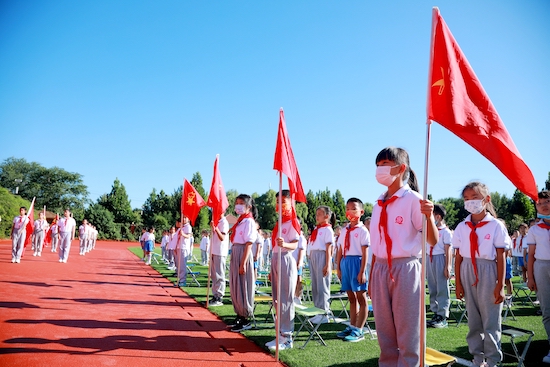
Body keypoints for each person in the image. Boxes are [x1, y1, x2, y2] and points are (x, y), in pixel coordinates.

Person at [368, 147, 438, 366]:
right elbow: (375, 245)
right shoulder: (378, 203)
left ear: (401, 168)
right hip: (380, 268)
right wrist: (372, 276)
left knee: (408, 328)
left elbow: (432, 240)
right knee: (384, 329)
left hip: (405, 268)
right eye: (379, 165)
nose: (381, 169)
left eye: (386, 164)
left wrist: (430, 217)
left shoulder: (414, 200)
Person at [454, 181, 510, 367]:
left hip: (488, 270)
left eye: (475, 198)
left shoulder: (496, 225)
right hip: (467, 270)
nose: (470, 202)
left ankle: (493, 360)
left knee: (491, 319)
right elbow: (458, 257)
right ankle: (477, 359)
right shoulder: (462, 226)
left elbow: (501, 256)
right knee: (474, 320)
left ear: (486, 199)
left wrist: (500, 285)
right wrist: (459, 283)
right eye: (466, 199)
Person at [265, 190, 299, 350]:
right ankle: (279, 334)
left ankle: (287, 337)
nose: (280, 204)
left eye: (283, 201)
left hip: (286, 258)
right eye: (278, 201)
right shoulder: (279, 223)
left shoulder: (293, 221)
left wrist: (284, 244)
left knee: (286, 300)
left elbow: (295, 244)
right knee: (277, 300)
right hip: (276, 259)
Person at [335, 198, 370, 342]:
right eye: (348, 208)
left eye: (354, 208)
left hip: (357, 262)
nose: (350, 211)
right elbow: (340, 249)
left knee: (361, 297)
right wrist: (338, 267)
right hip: (345, 262)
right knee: (351, 297)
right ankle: (352, 325)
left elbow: (365, 251)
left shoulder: (363, 231)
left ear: (361, 212)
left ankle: (359, 330)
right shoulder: (344, 230)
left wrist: (362, 271)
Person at [228, 194, 258, 332]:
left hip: (243, 254)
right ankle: (239, 314)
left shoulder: (249, 222)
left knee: (243, 286)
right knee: (235, 285)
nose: (237, 205)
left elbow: (249, 243)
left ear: (248, 206)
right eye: (236, 203)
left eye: (241, 203)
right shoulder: (241, 221)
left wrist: (243, 263)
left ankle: (245, 317)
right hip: (236, 251)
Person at [527, 190, 550, 364]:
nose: (544, 205)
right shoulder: (535, 229)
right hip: (541, 266)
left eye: (547, 201)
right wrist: (530, 277)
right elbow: (531, 255)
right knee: (547, 310)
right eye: (539, 203)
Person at [426, 204, 453, 328]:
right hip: (429, 258)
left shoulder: (446, 232)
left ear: (438, 216)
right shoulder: (429, 230)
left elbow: (448, 250)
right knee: (432, 287)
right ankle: (435, 312)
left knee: (442, 287)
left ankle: (443, 315)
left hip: (440, 258)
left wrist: (448, 266)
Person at [308, 205, 335, 324]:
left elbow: (329, 247)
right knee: (315, 285)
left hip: (322, 255)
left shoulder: (328, 229)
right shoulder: (317, 229)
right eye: (316, 214)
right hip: (313, 256)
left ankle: (324, 312)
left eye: (319, 214)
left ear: (327, 216)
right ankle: (317, 310)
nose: (316, 216)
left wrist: (327, 264)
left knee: (322, 285)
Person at [209, 211, 230, 306]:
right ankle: (215, 295)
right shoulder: (217, 222)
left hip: (220, 252)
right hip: (214, 251)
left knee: (219, 275)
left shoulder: (224, 222)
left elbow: (222, 237)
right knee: (214, 275)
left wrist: (215, 228)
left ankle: (219, 297)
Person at [176, 217, 192, 287]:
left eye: (186, 218)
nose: (184, 219)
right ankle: (180, 279)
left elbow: (188, 236)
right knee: (179, 265)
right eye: (183, 217)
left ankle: (183, 281)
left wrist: (183, 234)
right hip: (180, 246)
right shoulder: (182, 227)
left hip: (184, 247)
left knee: (182, 266)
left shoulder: (188, 227)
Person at [293, 225, 307, 304]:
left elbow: (301, 250)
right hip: (292, 261)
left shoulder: (301, 237)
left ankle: (298, 296)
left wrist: (299, 262)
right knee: (293, 280)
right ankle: (294, 296)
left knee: (298, 279)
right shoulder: (293, 236)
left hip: (297, 262)